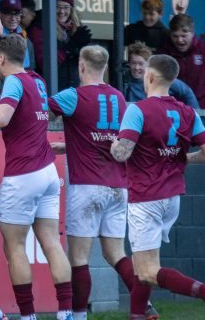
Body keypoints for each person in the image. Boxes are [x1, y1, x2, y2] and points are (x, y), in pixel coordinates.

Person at [110, 54, 205, 320]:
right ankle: (138, 316)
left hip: (146, 197)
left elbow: (121, 153)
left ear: (149, 76)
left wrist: (113, 143)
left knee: (146, 271)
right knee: (146, 264)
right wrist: (184, 158)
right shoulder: (187, 111)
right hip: (172, 196)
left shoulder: (138, 109)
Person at [48, 45, 158, 320]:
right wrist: (71, 144)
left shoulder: (73, 95)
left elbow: (43, 111)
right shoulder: (120, 98)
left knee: (78, 259)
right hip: (118, 187)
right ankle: (145, 306)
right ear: (106, 68)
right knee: (116, 254)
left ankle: (78, 316)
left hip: (87, 185)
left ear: (81, 67)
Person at [0, 34, 73, 320]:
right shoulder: (36, 80)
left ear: (0, 59)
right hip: (48, 171)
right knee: (52, 242)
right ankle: (67, 314)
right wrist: (1, 34)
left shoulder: (14, 82)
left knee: (15, 247)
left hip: (23, 174)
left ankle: (27, 316)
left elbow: (1, 118)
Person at [28, 0, 91, 87]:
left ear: (71, 9)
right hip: (50, 90)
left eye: (66, 7)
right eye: (57, 6)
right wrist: (69, 47)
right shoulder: (40, 27)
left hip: (74, 90)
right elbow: (44, 64)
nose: (62, 11)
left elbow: (87, 67)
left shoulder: (76, 28)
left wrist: (83, 51)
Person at [158, 14, 205, 110]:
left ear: (192, 33)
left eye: (184, 36)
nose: (180, 40)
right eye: (175, 36)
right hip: (174, 112)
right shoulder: (163, 54)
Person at [125, 42, 199, 109]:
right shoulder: (123, 80)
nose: (136, 67)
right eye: (133, 63)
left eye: (141, 64)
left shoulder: (160, 78)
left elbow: (186, 92)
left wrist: (193, 114)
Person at [0, 0, 35, 71]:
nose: (13, 18)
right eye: (8, 14)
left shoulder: (26, 40)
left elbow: (31, 69)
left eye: (17, 14)